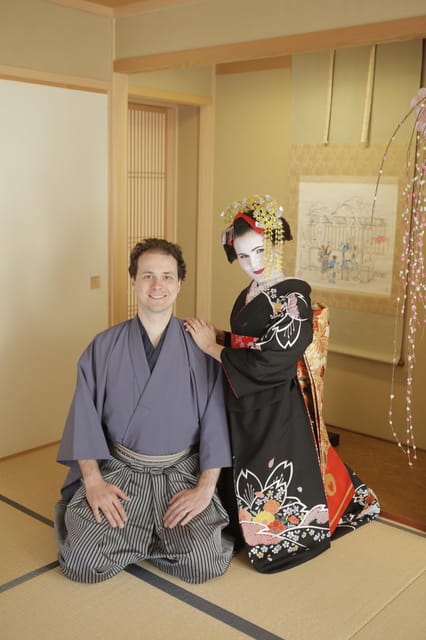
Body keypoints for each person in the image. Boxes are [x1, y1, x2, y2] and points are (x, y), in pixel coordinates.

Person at [185, 194, 380, 574]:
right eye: (243, 256)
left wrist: (212, 348)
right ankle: (247, 530)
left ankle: (285, 541)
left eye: (260, 251)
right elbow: (251, 342)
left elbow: (274, 357)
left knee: (270, 471)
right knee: (246, 466)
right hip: (248, 396)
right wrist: (220, 337)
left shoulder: (292, 296)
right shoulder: (253, 293)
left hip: (273, 401)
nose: (254, 263)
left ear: (276, 243)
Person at [54, 238, 234, 584]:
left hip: (180, 475)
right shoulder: (103, 346)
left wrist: (204, 489)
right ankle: (149, 539)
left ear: (180, 284)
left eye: (167, 276)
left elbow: (216, 424)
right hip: (120, 474)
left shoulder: (201, 348)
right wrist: (93, 482)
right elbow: (84, 418)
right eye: (147, 275)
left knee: (204, 564)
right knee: (81, 563)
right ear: (133, 281)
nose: (157, 285)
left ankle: (138, 541)